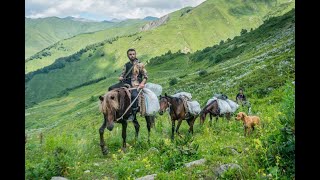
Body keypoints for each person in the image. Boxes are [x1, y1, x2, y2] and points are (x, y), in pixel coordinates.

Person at [108, 49, 148, 121]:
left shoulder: (140, 64)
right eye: (130, 54)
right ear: (128, 55)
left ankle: (133, 113)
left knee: (134, 95)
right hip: (125, 82)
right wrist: (121, 77)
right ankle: (113, 109)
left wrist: (142, 84)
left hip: (135, 84)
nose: (132, 55)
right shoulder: (126, 65)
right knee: (110, 88)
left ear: (135, 55)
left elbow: (145, 76)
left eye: (133, 54)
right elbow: (123, 74)